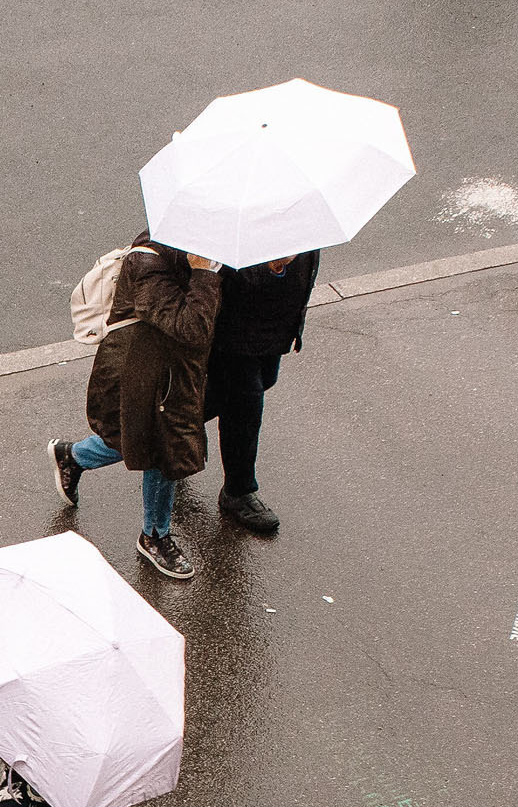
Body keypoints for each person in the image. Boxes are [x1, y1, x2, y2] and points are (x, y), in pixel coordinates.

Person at [47, 232, 224, 580]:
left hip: (171, 370)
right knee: (161, 449)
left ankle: (73, 456)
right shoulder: (147, 262)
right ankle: (155, 536)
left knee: (138, 441)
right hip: (142, 373)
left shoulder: (196, 246)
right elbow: (191, 327)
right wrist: (205, 275)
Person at [203, 250, 320, 535]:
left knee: (242, 391)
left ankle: (177, 427)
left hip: (273, 328)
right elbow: (226, 281)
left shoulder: (298, 219)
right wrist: (272, 267)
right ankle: (238, 492)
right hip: (236, 336)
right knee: (245, 404)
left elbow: (305, 270)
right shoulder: (237, 226)